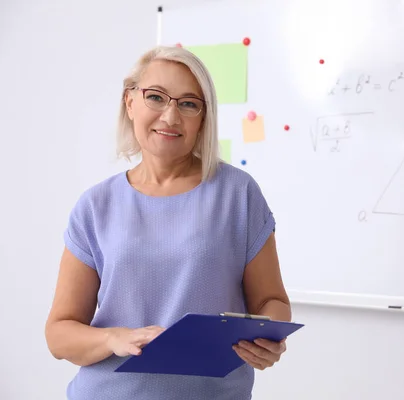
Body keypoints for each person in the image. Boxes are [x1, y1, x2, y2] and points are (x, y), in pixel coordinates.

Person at [44, 45, 292, 400]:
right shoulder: (95, 206)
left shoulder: (238, 193)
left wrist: (269, 336)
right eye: (156, 97)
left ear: (203, 118)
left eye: (189, 103)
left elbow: (272, 301)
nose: (171, 117)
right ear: (130, 102)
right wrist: (113, 338)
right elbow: (59, 334)